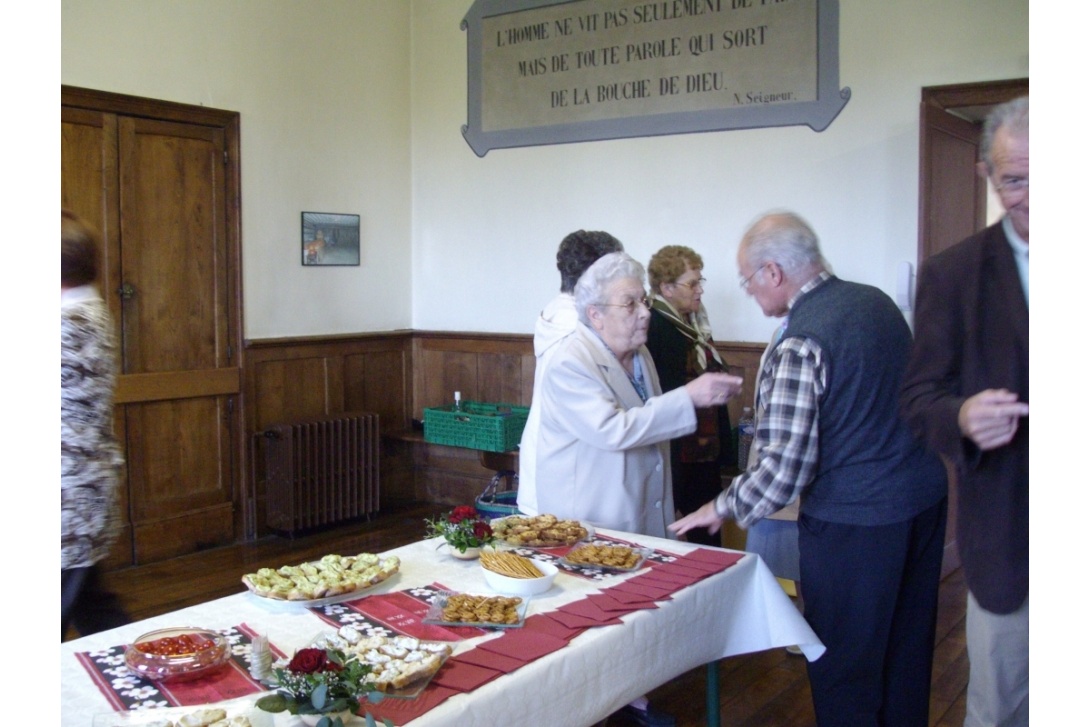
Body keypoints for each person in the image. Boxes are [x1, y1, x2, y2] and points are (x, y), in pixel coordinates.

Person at [671, 212, 948, 726]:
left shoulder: (801, 339)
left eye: (748, 280)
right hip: (923, 501)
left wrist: (718, 508)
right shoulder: (875, 302)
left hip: (858, 525)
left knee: (845, 668)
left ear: (773, 272)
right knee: (906, 657)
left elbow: (783, 472)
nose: (750, 293)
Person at [900, 96, 1029, 727]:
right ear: (987, 176)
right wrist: (962, 417)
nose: (1035, 194)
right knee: (1001, 709)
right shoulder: (954, 275)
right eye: (1015, 179)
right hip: (1011, 543)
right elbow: (919, 399)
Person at [531, 251, 743, 539]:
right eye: (630, 304)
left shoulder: (640, 352)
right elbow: (612, 429)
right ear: (596, 315)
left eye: (644, 301)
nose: (645, 312)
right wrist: (687, 397)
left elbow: (651, 425)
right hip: (591, 520)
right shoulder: (570, 362)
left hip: (642, 507)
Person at [517, 229, 624, 517]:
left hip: (559, 454)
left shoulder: (559, 311)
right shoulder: (576, 326)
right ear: (597, 276)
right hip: (566, 463)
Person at [61, 209, 129, 639]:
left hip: (69, 499)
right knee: (97, 612)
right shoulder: (85, 313)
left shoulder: (72, 324)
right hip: (78, 497)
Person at [644, 245, 732, 547]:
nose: (699, 291)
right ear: (666, 288)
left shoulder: (693, 326)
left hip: (701, 451)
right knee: (678, 539)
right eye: (692, 283)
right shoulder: (654, 327)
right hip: (676, 454)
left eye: (700, 282)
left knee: (705, 538)